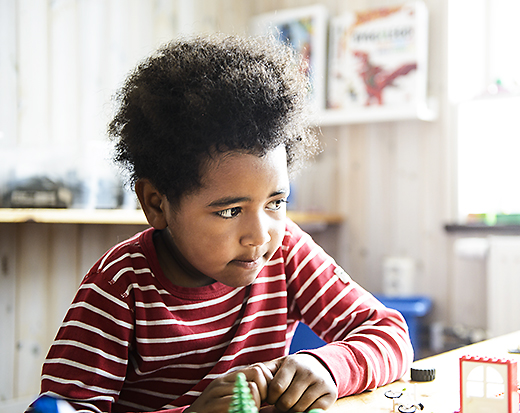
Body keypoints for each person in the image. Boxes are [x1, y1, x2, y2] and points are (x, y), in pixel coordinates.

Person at [34, 34, 413, 413]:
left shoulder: (286, 253)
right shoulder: (122, 284)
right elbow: (64, 408)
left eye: (276, 203)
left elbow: (392, 334)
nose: (260, 235)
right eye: (230, 211)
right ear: (157, 203)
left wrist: (327, 366)